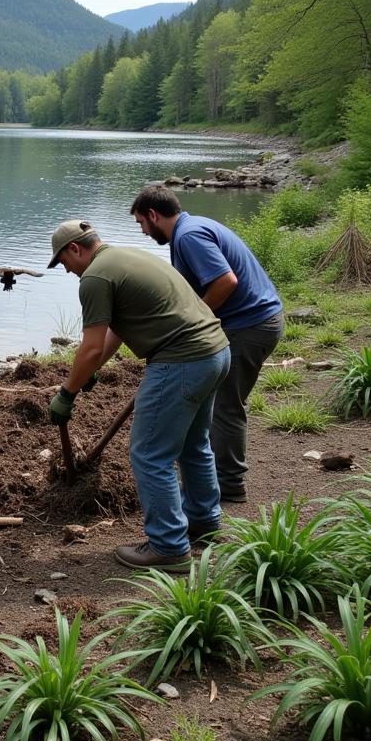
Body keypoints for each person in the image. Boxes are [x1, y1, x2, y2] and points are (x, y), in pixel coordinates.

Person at [46, 219, 231, 572]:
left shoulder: (95, 277)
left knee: (149, 454)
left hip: (181, 361)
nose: (66, 271)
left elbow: (89, 345)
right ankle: (204, 522)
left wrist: (66, 393)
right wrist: (93, 369)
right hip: (215, 352)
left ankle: (168, 546)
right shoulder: (125, 257)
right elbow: (115, 331)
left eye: (63, 262)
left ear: (75, 249)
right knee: (194, 443)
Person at [129, 186, 284, 503]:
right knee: (218, 403)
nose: (143, 232)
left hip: (249, 325)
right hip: (251, 321)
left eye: (141, 223)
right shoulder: (190, 229)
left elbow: (226, 282)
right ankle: (216, 476)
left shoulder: (189, 236)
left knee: (226, 405)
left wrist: (195, 321)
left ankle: (229, 483)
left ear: (154, 215)